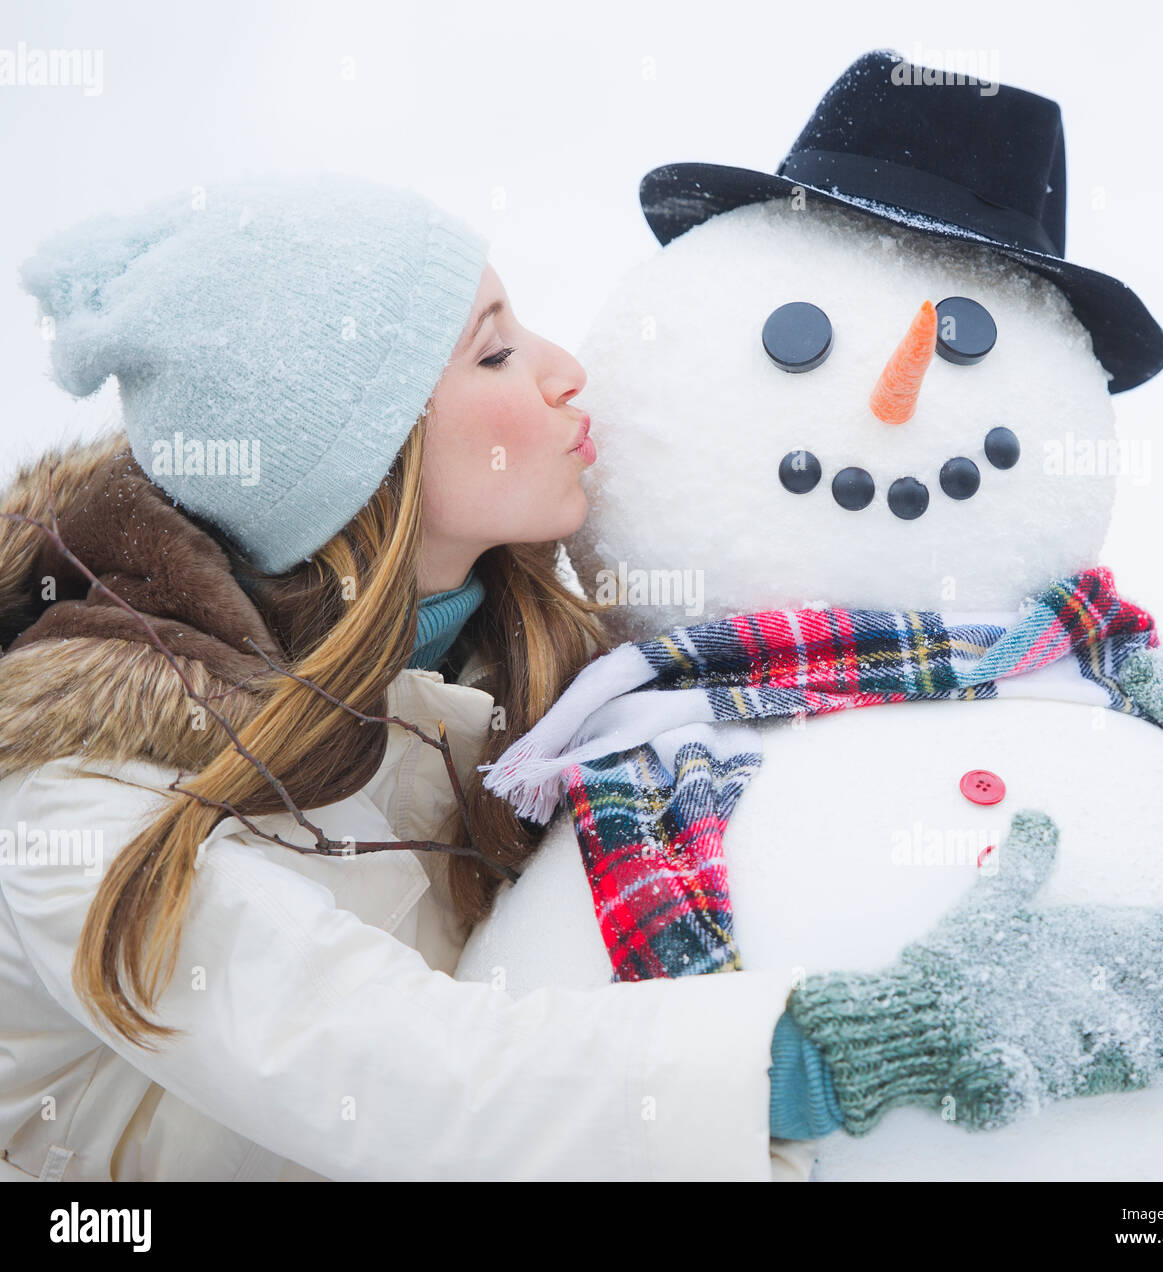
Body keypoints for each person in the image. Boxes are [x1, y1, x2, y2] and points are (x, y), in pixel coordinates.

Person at [0, 173, 845, 1182]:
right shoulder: (78, 819)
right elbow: (421, 1076)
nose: (566, 371)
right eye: (494, 351)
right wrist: (801, 1063)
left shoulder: (533, 691)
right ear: (363, 460)